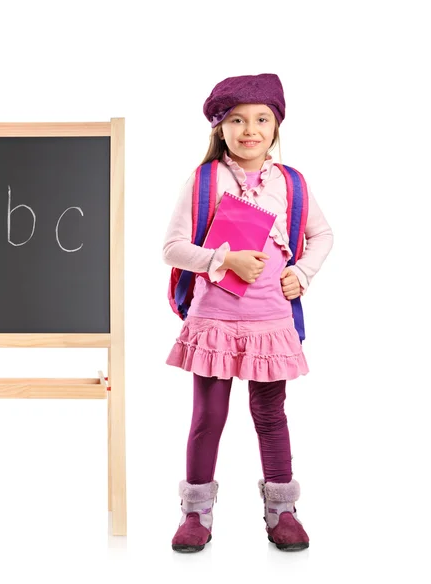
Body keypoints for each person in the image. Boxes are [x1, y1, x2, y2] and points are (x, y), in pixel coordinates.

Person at [162, 73, 334, 553]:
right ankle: (196, 511)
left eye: (261, 119)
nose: (250, 129)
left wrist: (302, 273)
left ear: (276, 125)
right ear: (220, 128)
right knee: (208, 415)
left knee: (271, 414)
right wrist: (223, 259)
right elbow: (173, 248)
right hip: (214, 321)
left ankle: (281, 508)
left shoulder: (291, 183)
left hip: (270, 323)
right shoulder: (205, 180)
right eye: (236, 120)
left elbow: (323, 235)